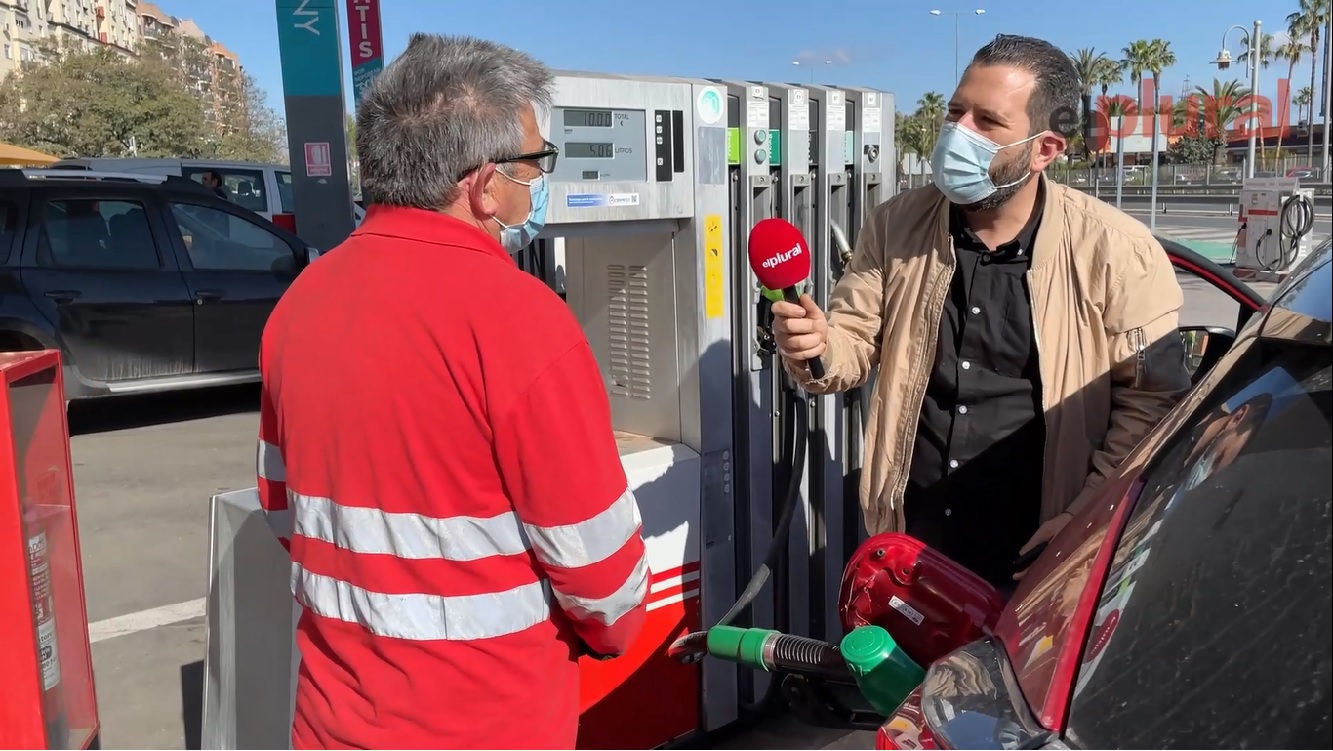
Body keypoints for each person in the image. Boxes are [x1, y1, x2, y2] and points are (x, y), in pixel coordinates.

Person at [254, 34, 650, 750]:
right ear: (484, 184)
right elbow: (604, 586)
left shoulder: (299, 304)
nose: (536, 184)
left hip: (329, 722)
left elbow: (285, 513)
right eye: (534, 164)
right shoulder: (523, 321)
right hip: (488, 723)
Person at [770, 34, 1191, 589]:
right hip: (909, 549)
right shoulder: (895, 226)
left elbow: (1152, 403)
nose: (958, 132)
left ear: (1045, 149)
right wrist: (817, 348)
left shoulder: (1118, 252)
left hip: (1038, 562)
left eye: (987, 122)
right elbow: (851, 344)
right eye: (954, 111)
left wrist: (1082, 518)